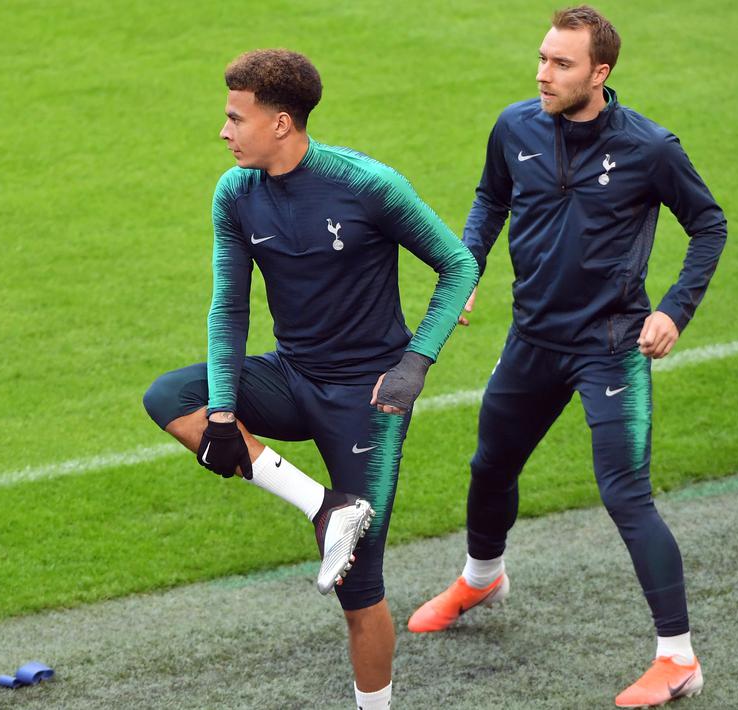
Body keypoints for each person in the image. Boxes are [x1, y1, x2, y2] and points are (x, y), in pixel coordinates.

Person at [405, 6, 726, 707]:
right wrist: (467, 268)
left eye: (560, 64)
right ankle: (482, 577)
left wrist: (673, 308)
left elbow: (707, 224)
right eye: (542, 58)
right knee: (489, 465)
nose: (542, 73)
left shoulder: (650, 148)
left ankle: (677, 660)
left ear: (599, 73)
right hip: (530, 339)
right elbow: (491, 198)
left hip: (609, 349)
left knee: (625, 496)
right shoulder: (513, 125)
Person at [143, 49, 478, 709]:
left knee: (359, 588)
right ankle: (322, 506)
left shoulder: (369, 185)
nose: (224, 131)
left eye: (236, 118)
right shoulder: (235, 194)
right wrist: (219, 411)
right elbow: (228, 308)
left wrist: (415, 363)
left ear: (281, 123)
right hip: (291, 377)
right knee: (171, 397)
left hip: (368, 400)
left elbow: (458, 265)